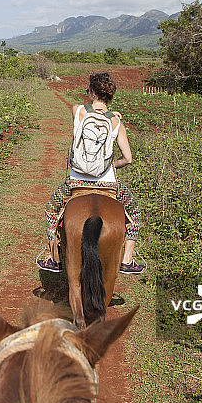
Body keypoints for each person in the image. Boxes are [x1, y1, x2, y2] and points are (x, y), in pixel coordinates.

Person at [37, 72, 145, 274]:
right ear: (110, 96)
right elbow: (128, 159)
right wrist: (112, 165)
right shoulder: (116, 122)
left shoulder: (77, 111)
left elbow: (87, 112)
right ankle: (128, 258)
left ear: (92, 92)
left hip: (76, 182)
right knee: (135, 214)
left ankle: (54, 256)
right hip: (108, 184)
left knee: (52, 210)